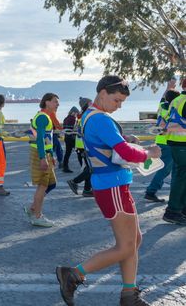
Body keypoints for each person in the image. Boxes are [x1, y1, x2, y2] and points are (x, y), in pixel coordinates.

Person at [56, 76, 161, 306]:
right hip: (112, 185)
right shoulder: (101, 119)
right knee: (126, 246)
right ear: (102, 93)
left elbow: (107, 144)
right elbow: (126, 153)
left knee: (134, 240)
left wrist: (125, 138)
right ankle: (74, 274)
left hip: (112, 185)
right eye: (116, 100)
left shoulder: (89, 116)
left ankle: (129, 294)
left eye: (122, 102)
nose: (119, 105)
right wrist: (149, 152)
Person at [24, 92, 60, 228]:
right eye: (55, 101)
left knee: (51, 184)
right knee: (43, 185)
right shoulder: (43, 117)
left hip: (45, 153)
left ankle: (32, 209)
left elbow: (46, 139)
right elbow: (39, 139)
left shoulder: (45, 117)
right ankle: (37, 216)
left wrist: (51, 154)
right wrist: (43, 158)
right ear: (47, 102)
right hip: (40, 153)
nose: (58, 104)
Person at [144, 89, 180, 203]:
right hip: (167, 142)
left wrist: (168, 88)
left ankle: (175, 194)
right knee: (165, 169)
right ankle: (151, 191)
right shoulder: (170, 110)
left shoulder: (162, 106)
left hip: (162, 141)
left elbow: (162, 99)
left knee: (171, 168)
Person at [162, 78, 186, 224]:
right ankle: (173, 211)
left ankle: (180, 209)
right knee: (181, 177)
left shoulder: (178, 100)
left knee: (181, 175)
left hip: (176, 141)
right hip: (182, 143)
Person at [67, 97, 94, 197]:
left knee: (89, 167)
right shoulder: (86, 116)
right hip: (84, 146)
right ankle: (74, 182)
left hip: (82, 145)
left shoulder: (82, 115)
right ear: (86, 104)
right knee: (91, 168)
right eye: (91, 103)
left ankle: (87, 190)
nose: (93, 104)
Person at [61, 106, 80, 173]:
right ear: (73, 112)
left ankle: (65, 167)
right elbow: (74, 129)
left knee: (67, 153)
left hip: (67, 137)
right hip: (72, 138)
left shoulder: (66, 118)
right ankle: (83, 166)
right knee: (80, 152)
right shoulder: (74, 119)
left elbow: (64, 128)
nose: (76, 115)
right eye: (76, 113)